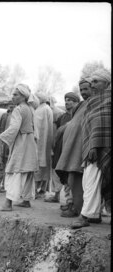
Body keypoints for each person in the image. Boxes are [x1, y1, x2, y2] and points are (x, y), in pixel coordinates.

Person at [72, 69, 111, 229]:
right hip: (93, 147)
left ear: (106, 83)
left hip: (103, 147)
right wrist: (91, 144)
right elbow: (92, 126)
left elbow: (104, 124)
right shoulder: (92, 102)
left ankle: (85, 216)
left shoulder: (108, 100)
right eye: (92, 81)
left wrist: (95, 145)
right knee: (90, 180)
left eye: (96, 81)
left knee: (95, 180)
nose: (92, 84)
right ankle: (93, 214)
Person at [0, 84, 39, 211]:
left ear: (23, 97)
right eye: (13, 94)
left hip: (22, 143)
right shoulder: (30, 108)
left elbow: (13, 128)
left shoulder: (18, 109)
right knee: (27, 170)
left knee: (15, 170)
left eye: (15, 94)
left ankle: (8, 204)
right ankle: (26, 200)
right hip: (30, 142)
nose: (13, 97)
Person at [55, 79, 92, 218]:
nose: (83, 92)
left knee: (84, 180)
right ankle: (76, 206)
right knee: (73, 177)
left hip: (85, 147)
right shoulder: (82, 105)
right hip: (73, 148)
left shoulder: (95, 103)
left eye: (86, 89)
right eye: (81, 90)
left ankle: (82, 210)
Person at [45, 92, 80, 205]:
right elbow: (55, 133)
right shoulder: (62, 117)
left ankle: (72, 202)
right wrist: (52, 147)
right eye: (66, 99)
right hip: (60, 148)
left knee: (70, 174)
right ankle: (56, 195)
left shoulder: (78, 116)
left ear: (76, 102)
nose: (67, 102)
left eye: (70, 100)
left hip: (72, 148)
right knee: (58, 171)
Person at [34, 92, 53, 199]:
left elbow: (36, 128)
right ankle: (42, 190)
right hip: (45, 143)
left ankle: (35, 191)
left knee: (38, 166)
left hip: (39, 143)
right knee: (43, 166)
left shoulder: (41, 110)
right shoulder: (47, 109)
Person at [0, 103, 15, 192]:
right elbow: (0, 128)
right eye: (10, 105)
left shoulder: (16, 116)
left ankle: (4, 185)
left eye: (12, 106)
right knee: (1, 163)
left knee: (7, 164)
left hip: (10, 143)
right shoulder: (4, 115)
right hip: (3, 143)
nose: (11, 107)